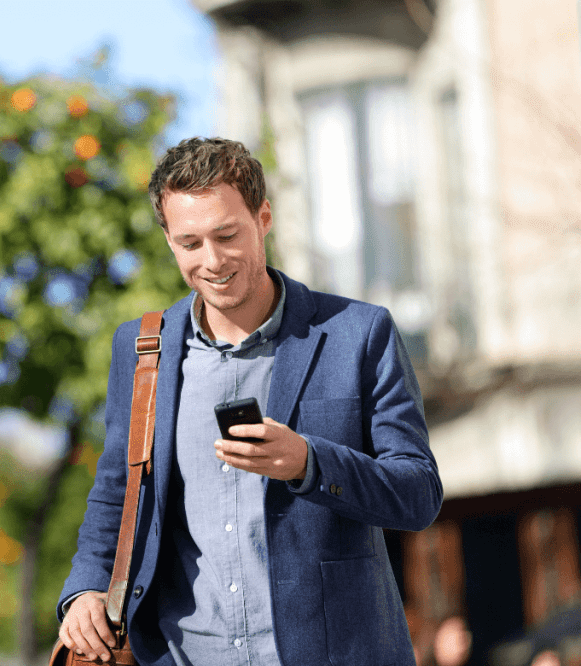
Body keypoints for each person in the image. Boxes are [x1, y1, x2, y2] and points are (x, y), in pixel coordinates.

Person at [56, 137, 443, 666]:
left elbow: (418, 494)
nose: (212, 261)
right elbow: (118, 491)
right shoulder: (143, 349)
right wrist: (83, 590)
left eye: (227, 235)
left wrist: (308, 463)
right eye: (189, 244)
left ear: (263, 217)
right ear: (169, 240)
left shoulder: (359, 332)